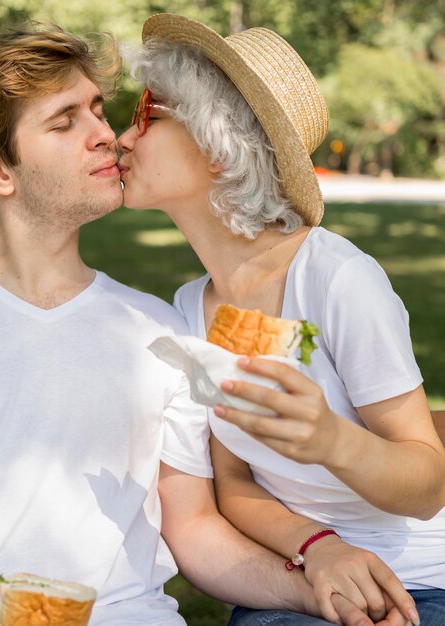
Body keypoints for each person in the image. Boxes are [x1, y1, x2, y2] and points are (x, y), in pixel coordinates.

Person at [0, 20, 396, 626]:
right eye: (65, 122)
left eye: (99, 110)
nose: (107, 136)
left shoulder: (161, 332)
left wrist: (311, 586)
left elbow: (195, 528)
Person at [118, 13, 445, 626]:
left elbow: (428, 484)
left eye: (147, 115)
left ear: (219, 144)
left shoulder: (338, 281)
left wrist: (332, 440)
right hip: (301, 581)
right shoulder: (192, 308)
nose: (123, 138)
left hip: (419, 586)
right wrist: (315, 548)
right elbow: (235, 483)